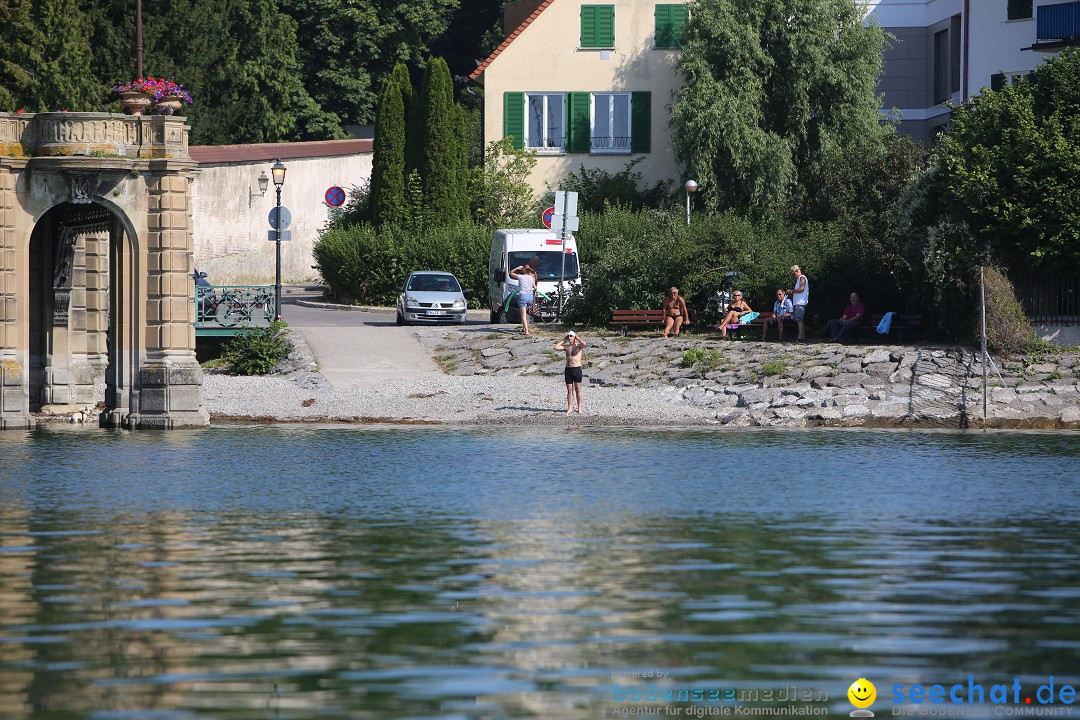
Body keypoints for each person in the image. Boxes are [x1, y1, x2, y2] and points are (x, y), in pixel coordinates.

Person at [554, 330, 586, 414]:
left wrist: (578, 337)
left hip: (576, 369)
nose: (569, 337)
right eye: (568, 336)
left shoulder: (579, 346)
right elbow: (556, 347)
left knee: (578, 389)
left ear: (574, 337)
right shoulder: (566, 347)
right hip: (568, 369)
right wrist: (564, 340)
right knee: (569, 389)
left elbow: (584, 344)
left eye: (571, 336)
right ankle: (570, 408)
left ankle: (579, 408)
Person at [508, 257, 539, 335]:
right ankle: (523, 328)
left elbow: (510, 273)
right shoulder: (531, 277)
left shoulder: (520, 277)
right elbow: (535, 287)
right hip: (530, 297)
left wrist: (517, 268)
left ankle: (527, 331)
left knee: (523, 315)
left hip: (523, 296)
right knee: (525, 313)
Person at [788, 265, 810, 341]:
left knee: (799, 320)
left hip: (800, 303)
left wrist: (791, 291)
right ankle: (802, 337)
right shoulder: (799, 279)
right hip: (799, 302)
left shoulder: (802, 278)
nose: (794, 276)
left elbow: (801, 289)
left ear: (797, 271)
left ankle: (799, 337)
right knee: (800, 320)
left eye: (794, 274)